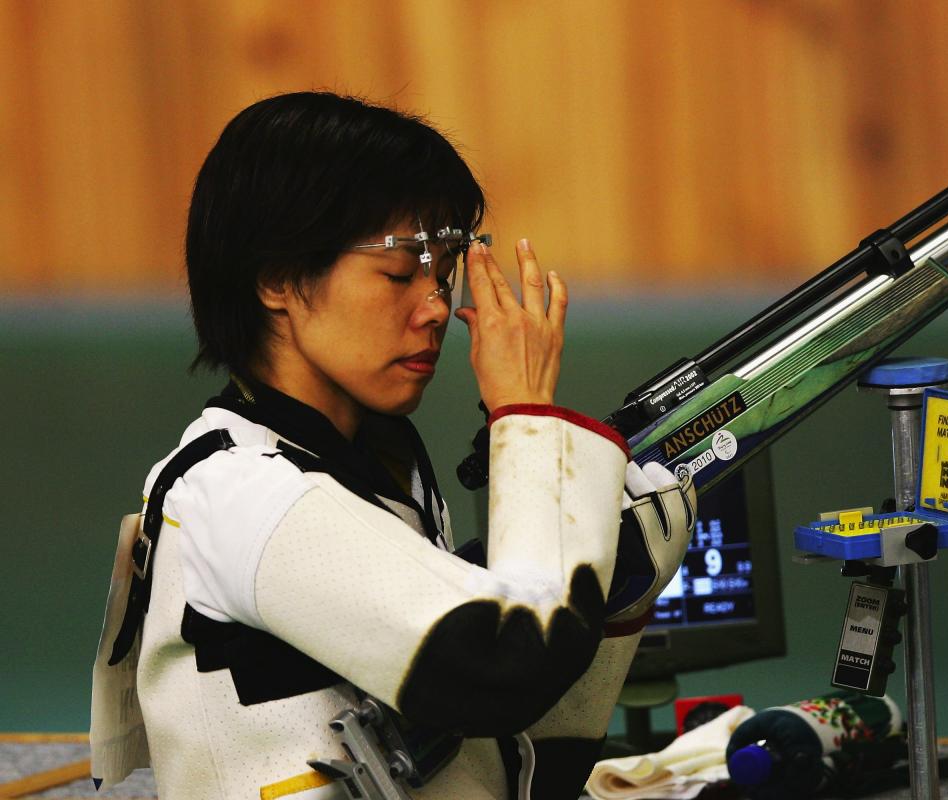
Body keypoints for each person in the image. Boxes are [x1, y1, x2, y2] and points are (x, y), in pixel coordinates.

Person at [89, 92, 696, 800]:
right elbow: (502, 669)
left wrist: (611, 595)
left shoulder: (380, 463)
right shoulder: (240, 492)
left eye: (445, 273)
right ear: (278, 279)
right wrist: (525, 418)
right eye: (402, 271)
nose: (437, 305)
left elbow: (498, 754)